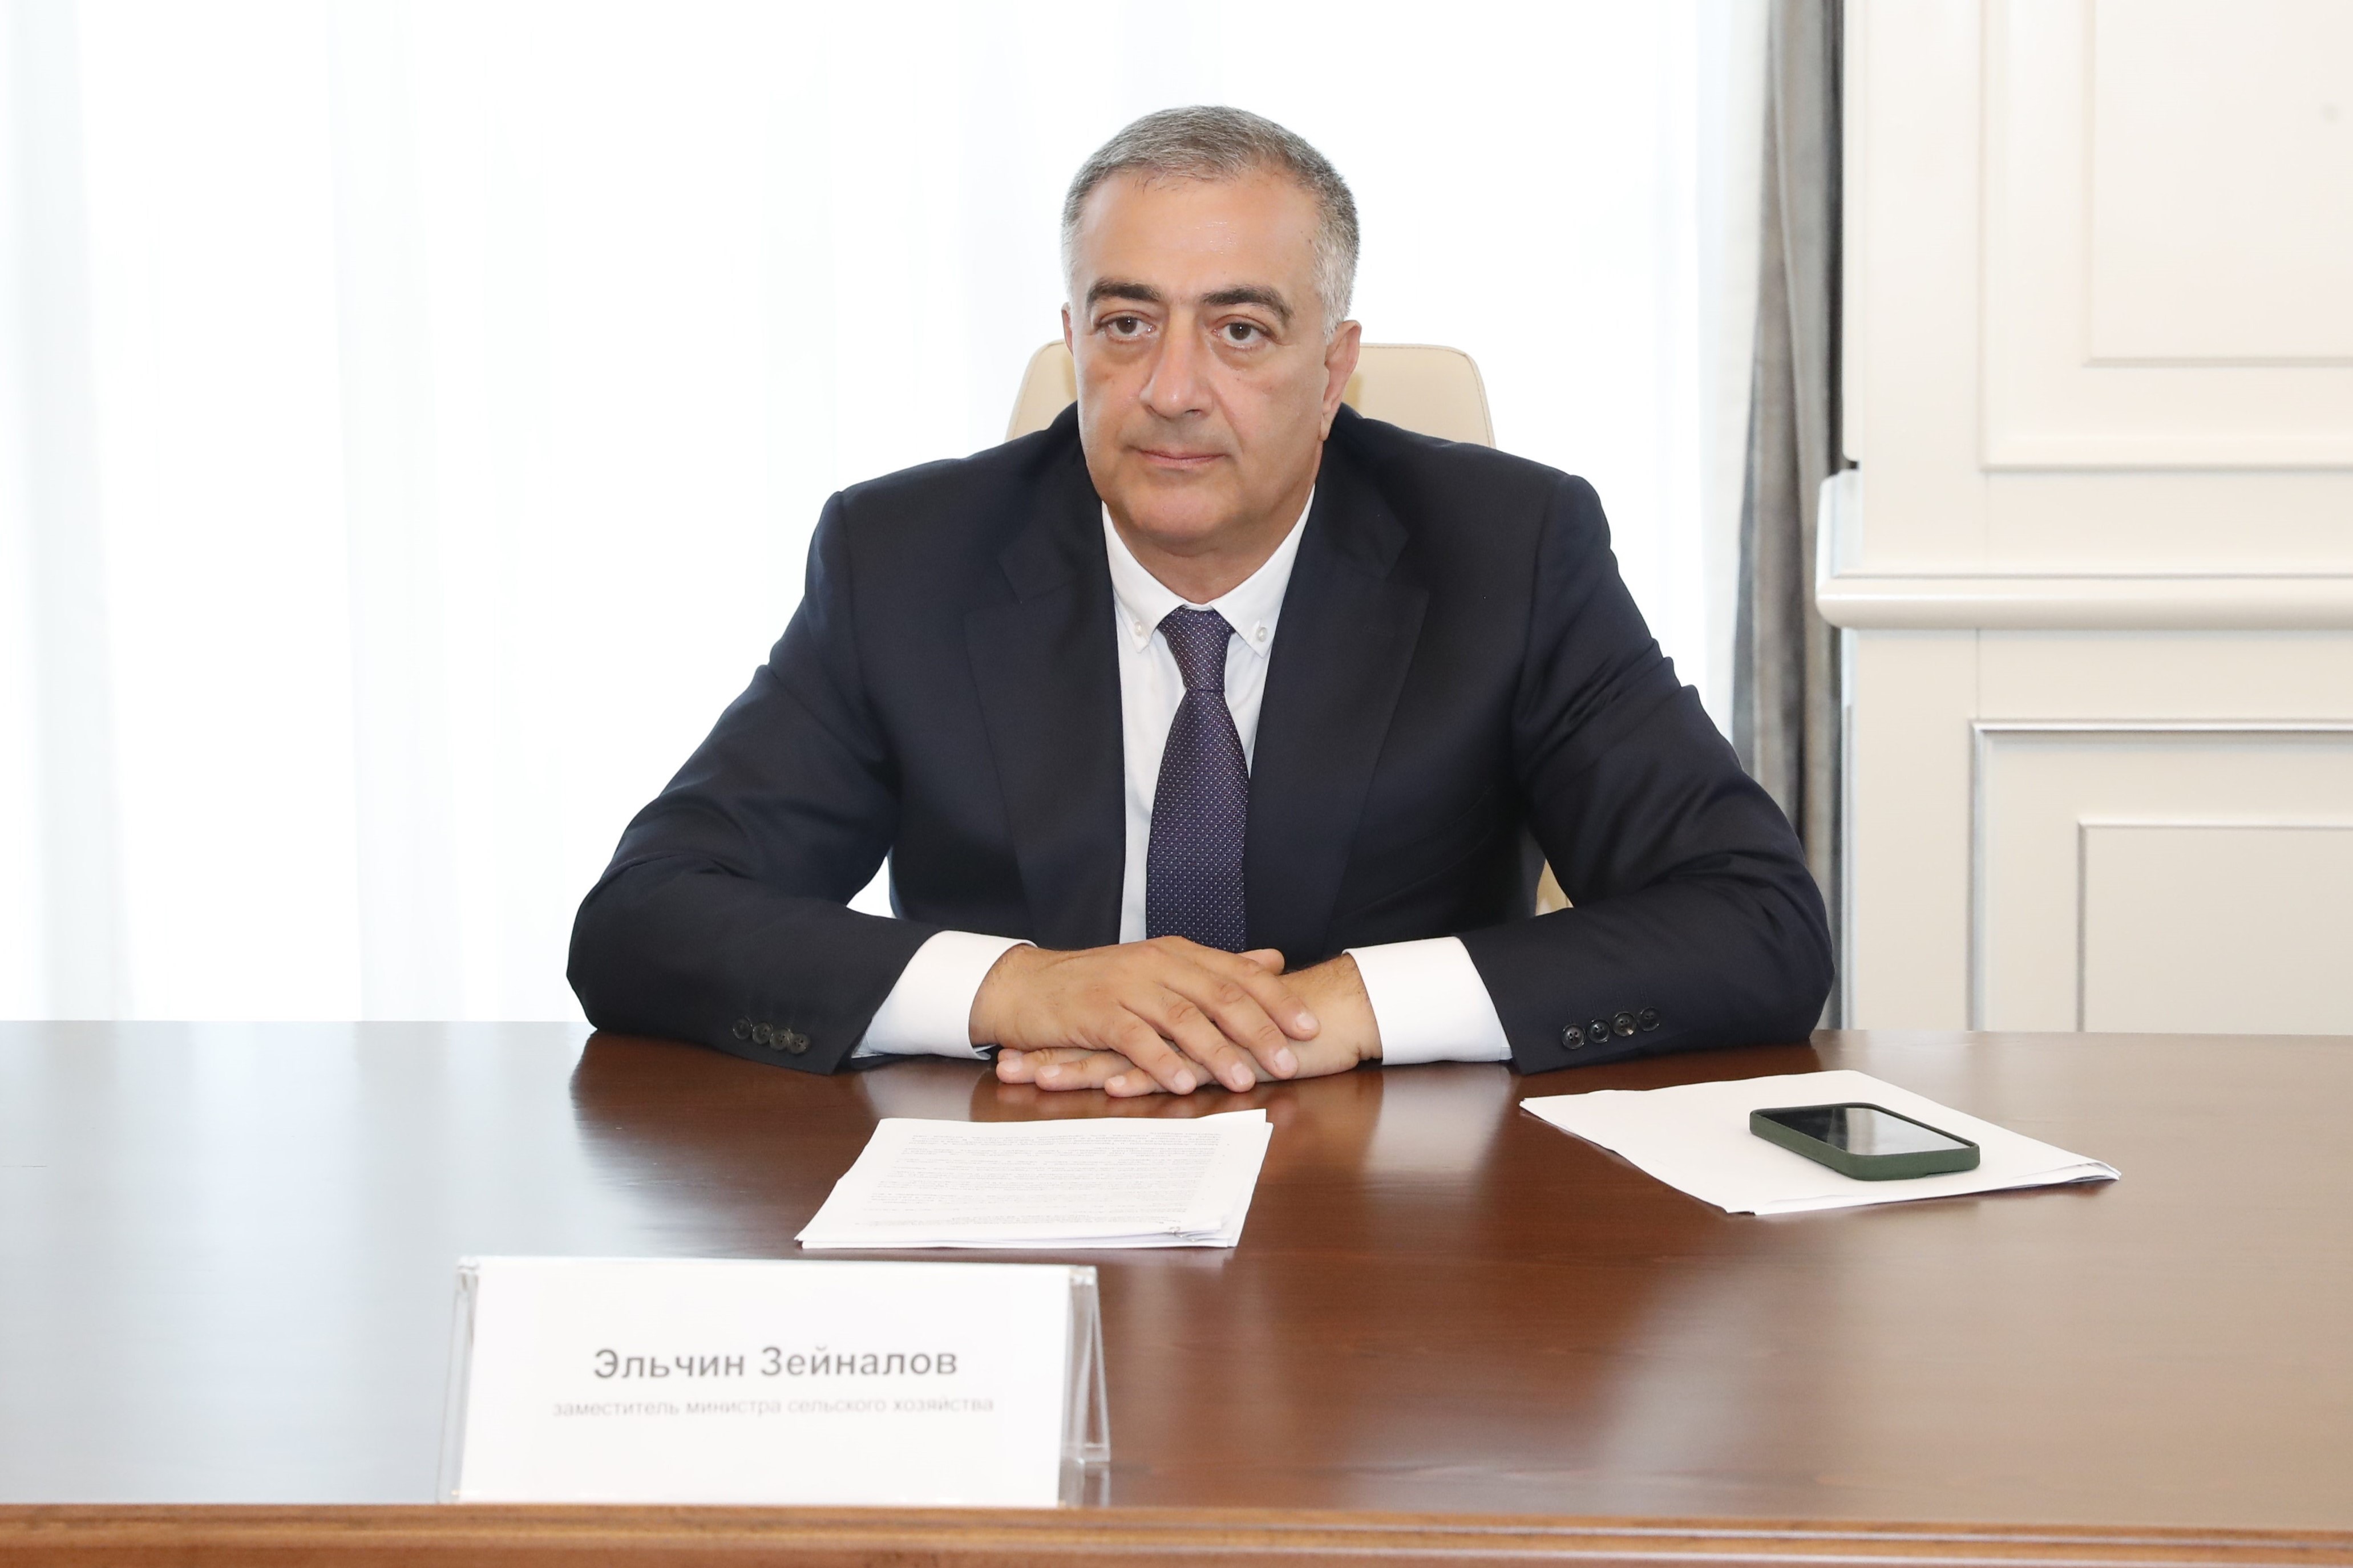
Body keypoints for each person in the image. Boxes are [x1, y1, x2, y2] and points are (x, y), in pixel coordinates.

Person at [569, 106, 1832, 1097]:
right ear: (1074, 340)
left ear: (1332, 369)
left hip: (1391, 1217)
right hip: (1012, 1191)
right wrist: (1018, 988)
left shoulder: (1507, 553)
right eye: (1127, 323)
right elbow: (645, 918)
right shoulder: (904, 560)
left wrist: (1348, 1003)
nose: (1171, 389)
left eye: (1239, 331)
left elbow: (1758, 922)